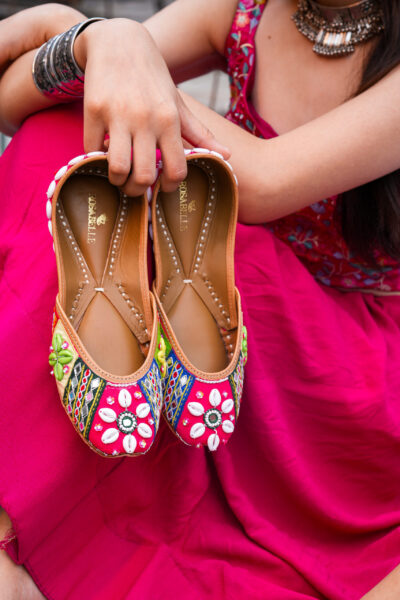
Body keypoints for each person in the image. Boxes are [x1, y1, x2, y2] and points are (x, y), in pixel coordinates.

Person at [1, 0, 400, 598]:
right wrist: (98, 40)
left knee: (137, 159)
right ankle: (20, 498)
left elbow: (261, 182)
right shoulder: (246, 10)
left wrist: (104, 55)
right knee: (63, 137)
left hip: (350, 363)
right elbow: (14, 103)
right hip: (219, 288)